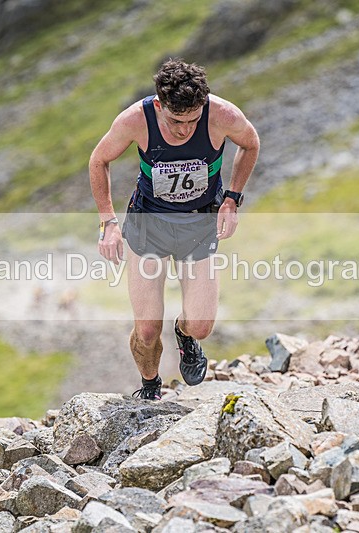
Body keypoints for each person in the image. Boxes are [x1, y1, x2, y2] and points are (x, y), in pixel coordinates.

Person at [89, 58, 259, 400]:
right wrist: (108, 222)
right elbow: (99, 160)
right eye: (176, 121)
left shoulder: (223, 115)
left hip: (198, 223)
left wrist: (232, 199)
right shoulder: (136, 119)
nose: (185, 130)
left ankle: (184, 334)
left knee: (201, 325)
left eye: (193, 120)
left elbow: (250, 143)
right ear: (159, 106)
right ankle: (150, 386)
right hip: (148, 223)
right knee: (147, 329)